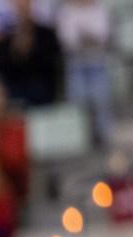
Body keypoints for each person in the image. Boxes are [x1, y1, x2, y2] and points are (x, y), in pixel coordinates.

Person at [56, 0, 112, 143]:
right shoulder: (66, 11)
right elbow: (68, 41)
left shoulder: (98, 9)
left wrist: (84, 36)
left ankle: (104, 137)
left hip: (97, 63)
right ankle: (80, 139)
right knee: (77, 104)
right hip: (76, 65)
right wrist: (87, 37)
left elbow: (102, 36)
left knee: (101, 102)